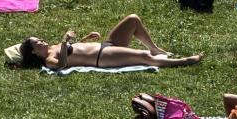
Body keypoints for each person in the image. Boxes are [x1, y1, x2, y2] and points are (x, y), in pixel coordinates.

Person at [10, 15, 200, 73]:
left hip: (105, 46)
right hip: (102, 58)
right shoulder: (49, 58)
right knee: (143, 58)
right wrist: (65, 40)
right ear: (34, 53)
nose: (42, 41)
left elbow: (74, 50)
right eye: (38, 43)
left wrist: (85, 38)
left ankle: (155, 48)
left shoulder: (53, 47)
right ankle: (183, 61)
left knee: (133, 19)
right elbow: (62, 64)